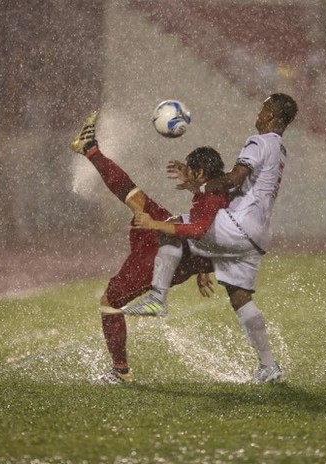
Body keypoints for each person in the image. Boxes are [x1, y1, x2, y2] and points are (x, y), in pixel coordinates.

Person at [125, 93, 298, 383]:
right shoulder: (280, 149)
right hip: (258, 235)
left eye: (263, 109)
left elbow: (233, 179)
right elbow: (242, 188)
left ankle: (157, 297)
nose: (258, 114)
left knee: (173, 226)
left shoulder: (259, 141)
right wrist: (198, 185)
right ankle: (269, 366)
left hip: (239, 224)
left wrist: (200, 187)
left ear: (274, 117)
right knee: (240, 296)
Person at [69, 111, 228, 383]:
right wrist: (203, 268)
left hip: (166, 254)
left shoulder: (214, 199)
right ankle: (90, 149)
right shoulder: (214, 192)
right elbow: (211, 231)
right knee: (135, 196)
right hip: (174, 241)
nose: (183, 175)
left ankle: (121, 371)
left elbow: (202, 230)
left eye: (188, 170)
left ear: (200, 173)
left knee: (111, 302)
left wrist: (159, 228)